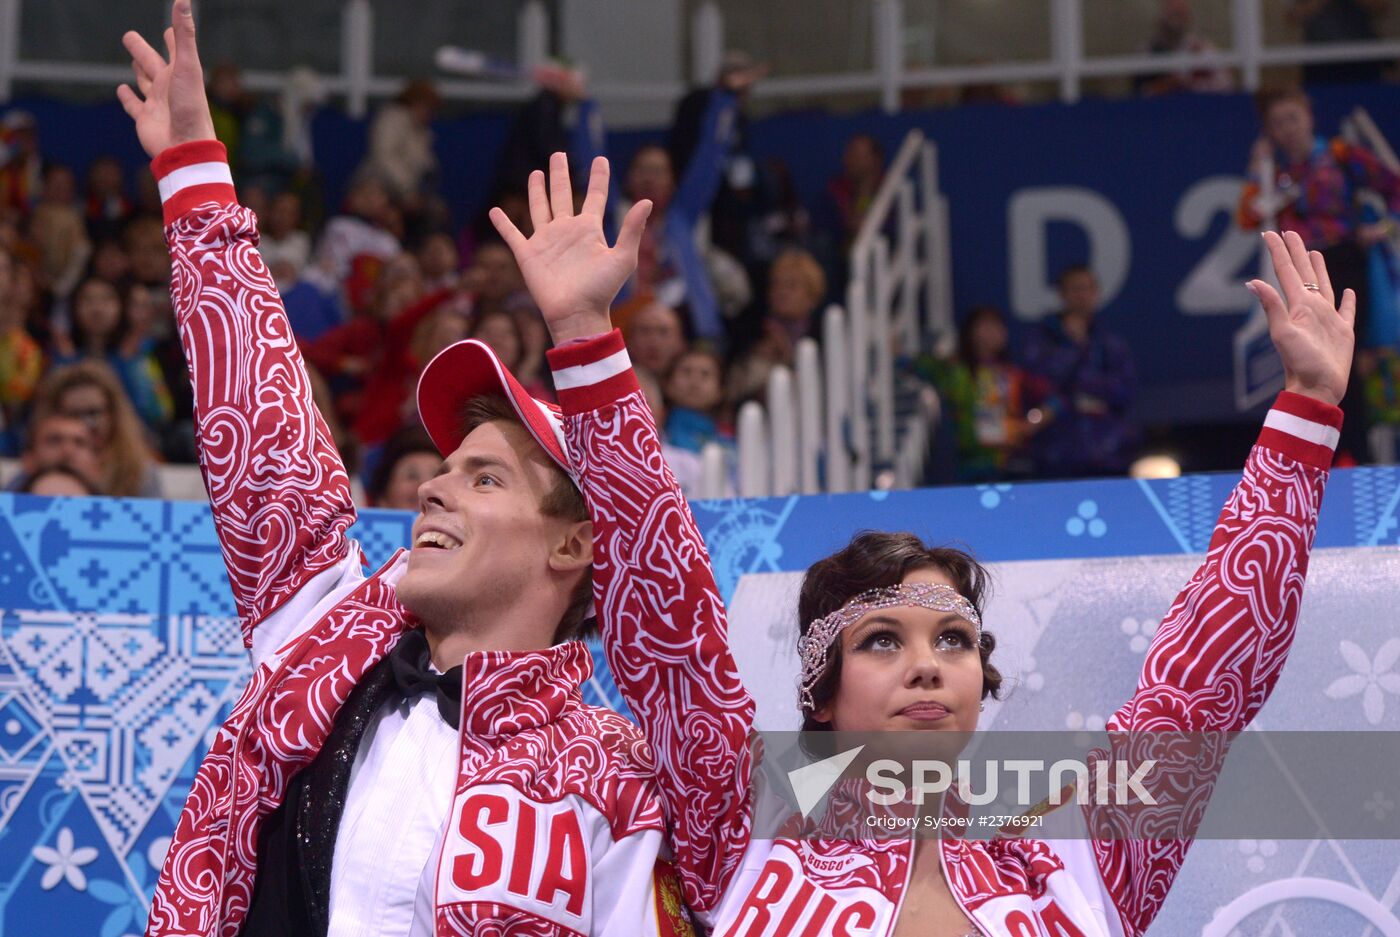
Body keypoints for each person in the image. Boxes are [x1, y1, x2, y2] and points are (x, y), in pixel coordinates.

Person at [589, 222, 1354, 932]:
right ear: (820, 689)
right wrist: (588, 342)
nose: (927, 666)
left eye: (953, 639)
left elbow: (1205, 676)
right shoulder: (743, 837)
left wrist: (1308, 410)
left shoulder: (1079, 861)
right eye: (883, 640)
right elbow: (670, 628)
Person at [118, 5, 691, 935]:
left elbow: (683, 631)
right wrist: (194, 179)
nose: (431, 484)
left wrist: (588, 338)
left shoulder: (616, 777)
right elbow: (267, 439)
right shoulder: (322, 642)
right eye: (445, 467)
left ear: (577, 541)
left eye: (486, 477)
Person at [1238, 86, 1400, 461]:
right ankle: (1318, 458)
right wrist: (1255, 168)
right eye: (1277, 123)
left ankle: (1355, 459)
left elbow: (1394, 187)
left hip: (1346, 267)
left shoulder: (1341, 155)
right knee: (1307, 368)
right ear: (1269, 132)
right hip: (1300, 274)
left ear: (1309, 115)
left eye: (1293, 117)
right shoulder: (1274, 175)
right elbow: (1248, 217)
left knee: (1349, 364)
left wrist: (1385, 229)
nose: (1288, 129)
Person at [1021, 264, 1137, 478]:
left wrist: (1085, 383)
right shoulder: (1041, 339)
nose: (1081, 295)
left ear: (1096, 293)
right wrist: (1073, 348)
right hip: (1056, 454)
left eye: (1087, 289)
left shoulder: (1111, 341)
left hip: (1107, 451)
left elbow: (1125, 391)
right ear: (1061, 294)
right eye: (1075, 289)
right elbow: (1036, 387)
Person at [920, 305, 1032, 482]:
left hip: (1002, 461)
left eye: (997, 327)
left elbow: (1054, 398)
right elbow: (918, 366)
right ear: (970, 332)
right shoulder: (955, 370)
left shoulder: (1011, 373)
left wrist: (1030, 423)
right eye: (985, 326)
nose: (992, 333)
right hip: (959, 462)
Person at [30, 360, 160, 498]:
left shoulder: (139, 473)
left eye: (93, 413)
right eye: (74, 414)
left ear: (113, 414)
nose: (85, 423)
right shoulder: (37, 465)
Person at [6, 411, 102, 493]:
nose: (67, 451)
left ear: (96, 464)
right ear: (28, 459)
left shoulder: (116, 512)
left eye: (80, 443)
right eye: (54, 440)